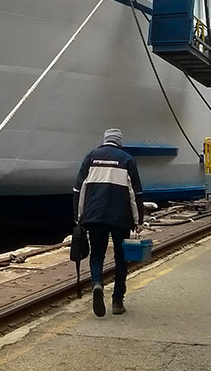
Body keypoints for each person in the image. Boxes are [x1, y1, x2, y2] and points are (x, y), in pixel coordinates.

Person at [73, 127, 144, 317]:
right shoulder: (127, 159)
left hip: (95, 216)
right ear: (119, 142)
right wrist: (138, 220)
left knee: (97, 254)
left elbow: (79, 190)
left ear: (105, 140)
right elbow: (135, 193)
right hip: (121, 218)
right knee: (121, 258)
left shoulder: (91, 157)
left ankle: (97, 283)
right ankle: (117, 301)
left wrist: (79, 217)